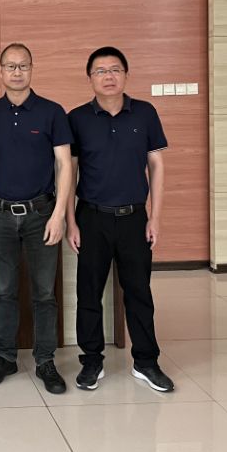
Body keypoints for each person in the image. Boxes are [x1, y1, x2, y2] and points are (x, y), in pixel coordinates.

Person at [67, 46, 175, 393]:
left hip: (134, 218)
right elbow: (68, 173)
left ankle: (146, 362)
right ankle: (91, 361)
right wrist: (70, 221)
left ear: (126, 75)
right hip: (91, 217)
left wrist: (155, 218)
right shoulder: (77, 118)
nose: (108, 77)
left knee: (139, 292)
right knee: (89, 293)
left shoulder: (145, 113)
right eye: (100, 71)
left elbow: (156, 166)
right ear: (90, 78)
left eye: (115, 70)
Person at [0, 43, 73, 394]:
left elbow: (65, 165)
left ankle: (45, 360)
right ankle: (5, 357)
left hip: (41, 215)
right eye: (10, 66)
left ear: (32, 69)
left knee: (45, 293)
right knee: (4, 291)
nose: (17, 72)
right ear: (0, 71)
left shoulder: (52, 112)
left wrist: (59, 214)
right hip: (0, 215)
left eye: (23, 66)